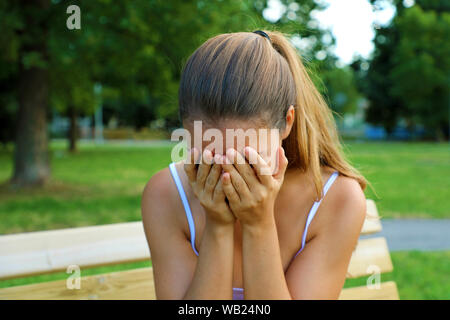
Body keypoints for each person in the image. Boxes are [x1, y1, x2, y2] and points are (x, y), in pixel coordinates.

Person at [141, 30, 368, 300]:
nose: (228, 174)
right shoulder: (166, 194)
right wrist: (218, 226)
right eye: (209, 157)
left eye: (248, 158)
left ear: (287, 122)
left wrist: (258, 225)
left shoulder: (337, 199)